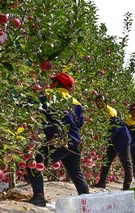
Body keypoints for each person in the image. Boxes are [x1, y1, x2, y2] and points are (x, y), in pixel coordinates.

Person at [26, 72, 89, 206]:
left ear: (56, 83)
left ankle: (39, 197)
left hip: (58, 141)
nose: (50, 83)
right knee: (76, 173)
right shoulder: (76, 103)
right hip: (75, 142)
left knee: (34, 163)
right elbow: (80, 124)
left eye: (53, 81)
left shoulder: (48, 95)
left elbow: (28, 104)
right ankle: (88, 201)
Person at [92, 95, 133, 190]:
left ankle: (126, 186)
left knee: (126, 162)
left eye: (101, 101)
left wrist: (105, 140)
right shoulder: (102, 112)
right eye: (97, 102)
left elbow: (114, 129)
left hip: (121, 139)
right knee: (107, 161)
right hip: (113, 140)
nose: (99, 104)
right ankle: (102, 183)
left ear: (106, 103)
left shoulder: (110, 112)